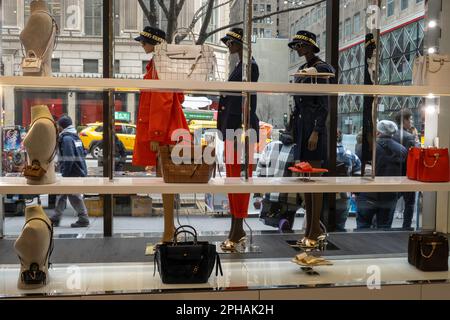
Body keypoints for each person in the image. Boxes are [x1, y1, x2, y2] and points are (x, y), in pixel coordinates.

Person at [132, 26, 189, 242]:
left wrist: (156, 134)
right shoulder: (162, 65)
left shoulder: (160, 66)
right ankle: (169, 228)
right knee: (167, 182)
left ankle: (168, 231)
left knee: (167, 182)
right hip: (170, 129)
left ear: (154, 43)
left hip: (165, 133)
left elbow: (161, 101)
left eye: (144, 41)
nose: (142, 44)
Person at [288, 30, 335, 248]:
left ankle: (316, 229)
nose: (297, 49)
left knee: (314, 181)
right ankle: (309, 228)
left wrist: (317, 130)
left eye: (300, 45)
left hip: (313, 130)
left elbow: (324, 104)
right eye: (296, 46)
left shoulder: (321, 68)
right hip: (301, 128)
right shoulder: (302, 69)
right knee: (305, 180)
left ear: (309, 47)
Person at [218, 28, 260, 251]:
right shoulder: (240, 66)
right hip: (232, 130)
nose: (228, 45)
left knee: (240, 180)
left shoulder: (249, 66)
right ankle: (236, 227)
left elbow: (246, 101)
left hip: (241, 131)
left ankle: (237, 227)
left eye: (231, 42)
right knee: (233, 180)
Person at [356, 120, 407, 229]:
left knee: (362, 227)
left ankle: (361, 246)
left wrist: (357, 192)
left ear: (378, 132)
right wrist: (397, 194)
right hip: (389, 196)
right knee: (384, 230)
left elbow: (357, 171)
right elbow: (405, 175)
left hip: (367, 195)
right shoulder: (402, 150)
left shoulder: (365, 148)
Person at [50, 115, 89, 228]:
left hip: (72, 172)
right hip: (77, 170)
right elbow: (83, 152)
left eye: (58, 125)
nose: (57, 127)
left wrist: (65, 174)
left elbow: (69, 157)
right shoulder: (75, 136)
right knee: (62, 195)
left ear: (62, 126)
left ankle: (83, 218)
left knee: (74, 195)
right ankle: (56, 218)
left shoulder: (66, 139)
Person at [393, 109, 420, 229]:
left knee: (391, 201)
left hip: (393, 174)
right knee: (409, 203)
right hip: (407, 174)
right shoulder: (410, 137)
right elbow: (414, 157)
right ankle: (406, 227)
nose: (412, 121)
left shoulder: (391, 136)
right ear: (404, 120)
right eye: (410, 119)